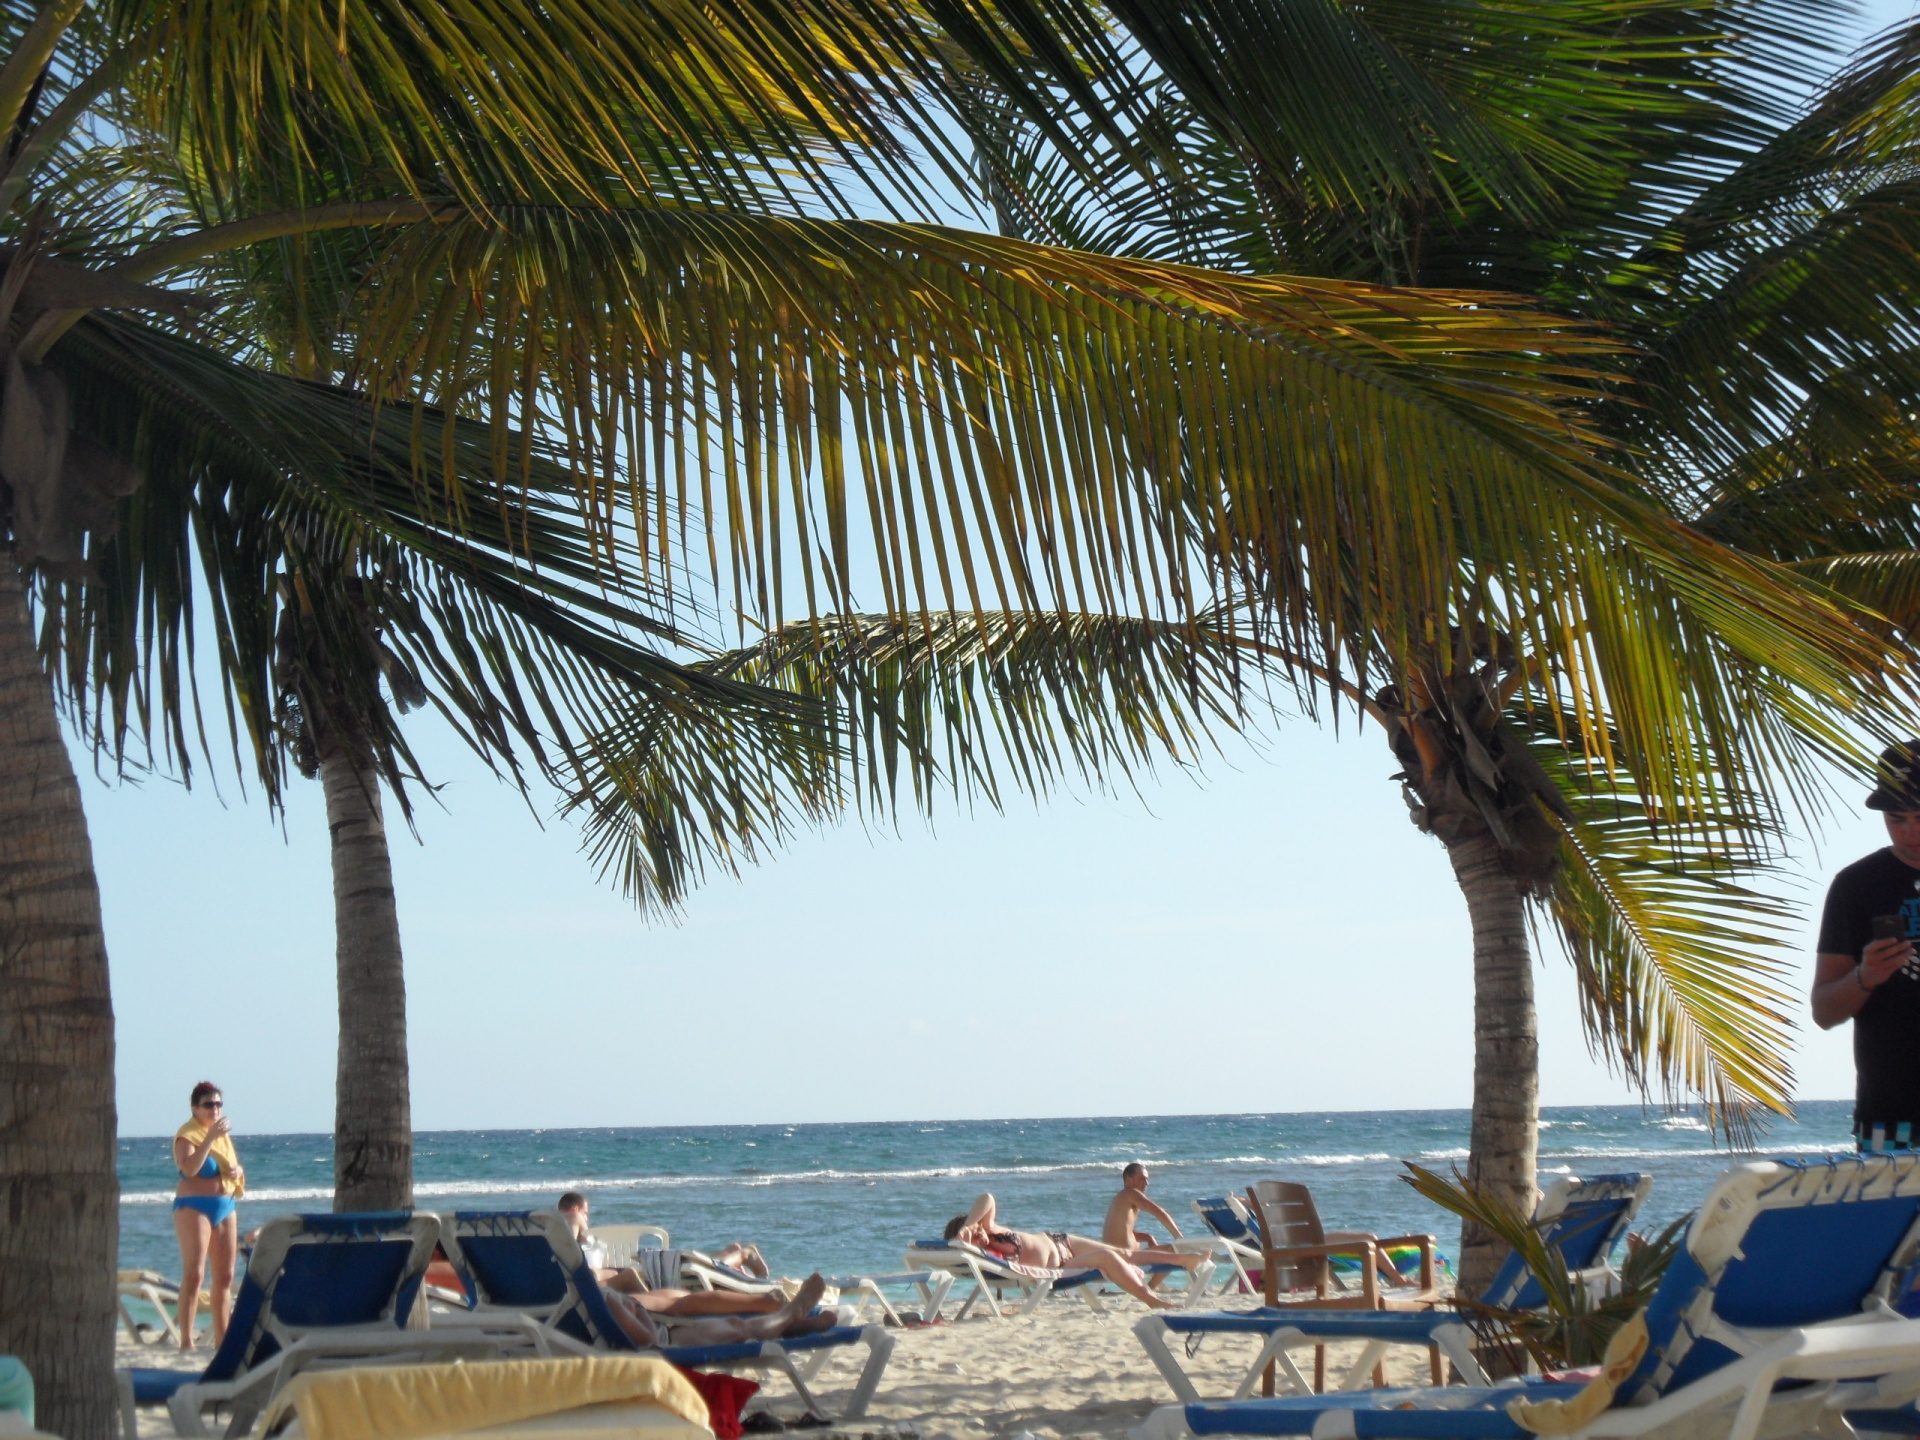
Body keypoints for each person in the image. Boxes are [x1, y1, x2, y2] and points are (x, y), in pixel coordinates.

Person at [1813, 741, 1920, 1151]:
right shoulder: (1856, 886)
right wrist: (1865, 976)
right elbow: (1824, 1012)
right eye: (1896, 819)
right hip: (1890, 1125)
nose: (1910, 832)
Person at [555, 1193, 787, 1318]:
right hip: (639, 1278)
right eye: (586, 1214)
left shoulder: (560, 1247)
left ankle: (739, 1254)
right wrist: (578, 1223)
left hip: (640, 1274)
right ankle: (738, 1254)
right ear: (575, 1211)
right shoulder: (566, 1235)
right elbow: (574, 1221)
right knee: (689, 1275)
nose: (587, 1220)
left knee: (689, 1272)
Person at [943, 1192, 1188, 1309]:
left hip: (1060, 1240)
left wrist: (969, 1226)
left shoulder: (990, 1228)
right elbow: (974, 1253)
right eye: (975, 1235)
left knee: (1126, 1254)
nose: (980, 1233)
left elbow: (987, 1198)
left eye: (977, 1228)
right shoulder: (990, 1255)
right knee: (1109, 1257)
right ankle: (1151, 1300)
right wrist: (968, 1241)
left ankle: (1183, 1259)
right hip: (1062, 1267)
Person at [172, 1081, 245, 1350]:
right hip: (194, 1206)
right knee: (194, 1273)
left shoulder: (221, 1137)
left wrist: (238, 1171)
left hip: (224, 1205)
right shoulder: (187, 1135)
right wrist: (210, 1138)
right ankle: (186, 1341)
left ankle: (222, 1342)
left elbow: (229, 1167)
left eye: (218, 1104)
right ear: (195, 1108)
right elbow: (189, 1169)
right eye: (208, 1105)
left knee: (225, 1276)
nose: (215, 1109)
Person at [600, 1272, 841, 1349]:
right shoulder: (602, 1300)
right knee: (736, 1328)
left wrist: (633, 1308)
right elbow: (648, 1342)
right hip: (664, 1337)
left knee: (681, 1301)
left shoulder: (589, 1297)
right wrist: (638, 1312)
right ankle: (789, 1315)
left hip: (657, 1324)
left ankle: (788, 1324)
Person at [1102, 1163, 1186, 1251]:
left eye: (1147, 1180)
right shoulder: (1131, 1193)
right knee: (1175, 1249)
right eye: (1142, 1180)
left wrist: (1148, 1237)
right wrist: (1179, 1238)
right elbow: (1159, 1212)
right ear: (1129, 1181)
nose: (1147, 1183)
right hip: (1126, 1255)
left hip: (1120, 1254)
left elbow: (1122, 1232)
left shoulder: (1121, 1198)